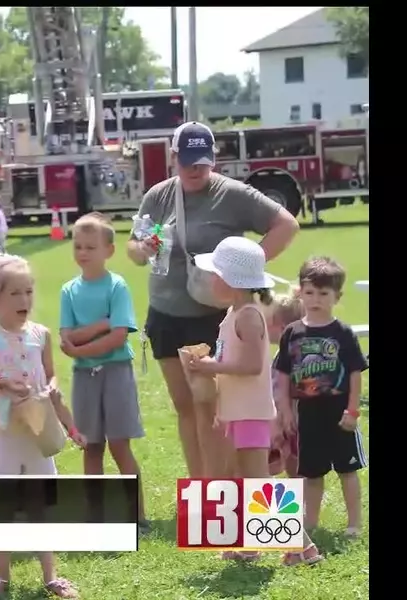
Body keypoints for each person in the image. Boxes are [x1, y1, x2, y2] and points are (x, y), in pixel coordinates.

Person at [127, 121, 300, 479]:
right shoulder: (158, 196)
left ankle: (221, 487)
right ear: (173, 157)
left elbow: (286, 225)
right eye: (188, 160)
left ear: (214, 161)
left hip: (212, 318)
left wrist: (247, 268)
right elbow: (133, 249)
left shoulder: (232, 194)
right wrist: (143, 248)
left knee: (212, 407)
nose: (196, 169)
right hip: (165, 315)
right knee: (185, 407)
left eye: (203, 162)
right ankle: (201, 491)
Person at [0, 254, 82, 599]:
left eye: (28, 291)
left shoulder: (41, 335)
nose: (24, 300)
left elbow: (51, 372)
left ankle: (50, 575)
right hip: (4, 432)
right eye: (14, 293)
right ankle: (1, 575)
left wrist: (55, 387)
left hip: (37, 430)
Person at [181, 236, 292, 563]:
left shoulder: (248, 316)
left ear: (230, 280)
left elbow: (253, 365)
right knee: (241, 476)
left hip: (252, 411)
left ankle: (291, 545)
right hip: (236, 410)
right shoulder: (233, 313)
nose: (210, 279)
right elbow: (233, 359)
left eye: (214, 273)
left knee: (258, 478)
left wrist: (210, 365)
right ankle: (242, 544)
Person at [58, 213, 149, 531]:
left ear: (109, 250)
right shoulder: (68, 290)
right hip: (85, 377)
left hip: (116, 372)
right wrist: (101, 324)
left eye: (90, 247)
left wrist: (83, 344)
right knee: (91, 446)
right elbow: (66, 338)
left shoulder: (117, 285)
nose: (83, 252)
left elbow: (119, 336)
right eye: (78, 246)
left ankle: (136, 514)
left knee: (120, 445)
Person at [274, 256, 367, 558]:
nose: (316, 299)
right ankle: (309, 522)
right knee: (311, 473)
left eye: (324, 294)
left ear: (337, 297)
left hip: (339, 412)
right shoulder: (292, 332)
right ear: (300, 292)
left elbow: (355, 372)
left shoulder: (342, 333)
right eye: (310, 292)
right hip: (308, 414)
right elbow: (283, 374)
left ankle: (354, 523)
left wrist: (352, 410)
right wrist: (286, 411)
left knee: (347, 470)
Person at [266, 292, 303, 477]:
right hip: (290, 422)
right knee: (294, 467)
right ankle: (301, 503)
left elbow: (280, 392)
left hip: (288, 422)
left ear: (281, 328)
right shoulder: (288, 354)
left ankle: (303, 503)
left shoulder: (285, 358)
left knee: (295, 467)